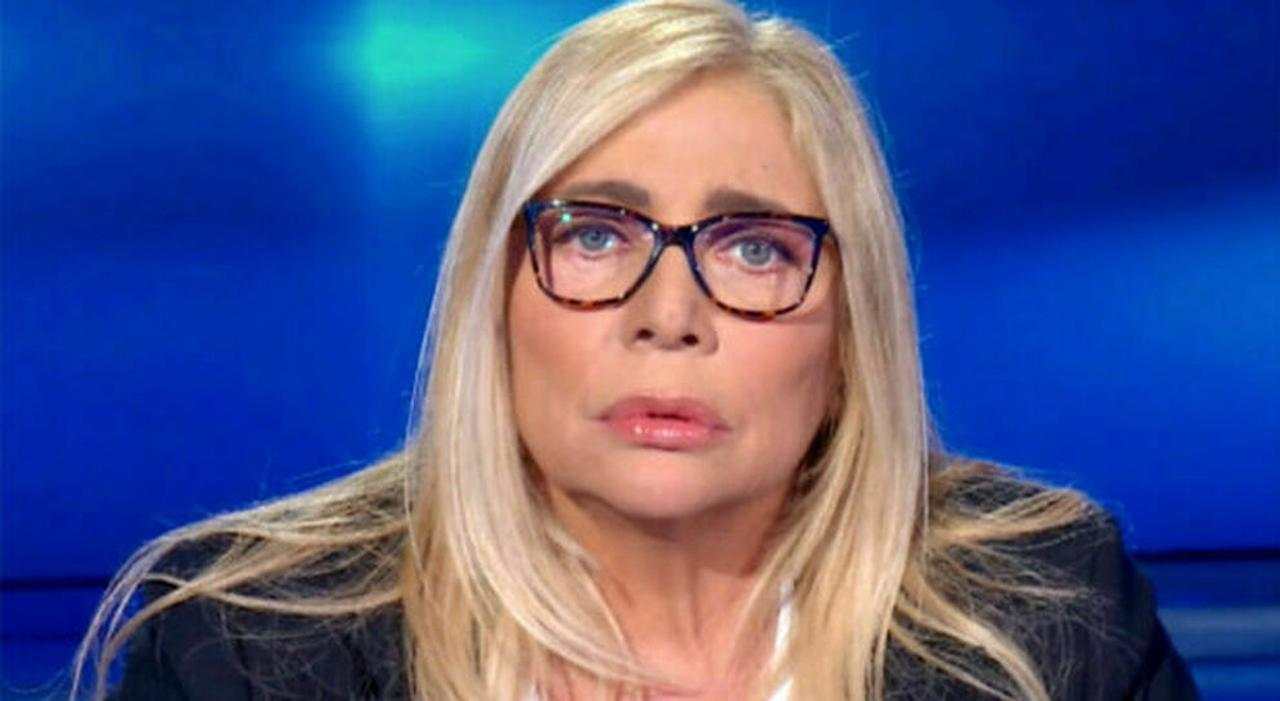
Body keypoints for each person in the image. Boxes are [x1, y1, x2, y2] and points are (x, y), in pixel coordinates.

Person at [74, 0, 1198, 698]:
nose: (669, 314)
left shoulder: (1052, 619)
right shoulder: (250, 651)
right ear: (492, 296)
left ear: (852, 331)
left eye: (754, 248)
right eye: (596, 234)